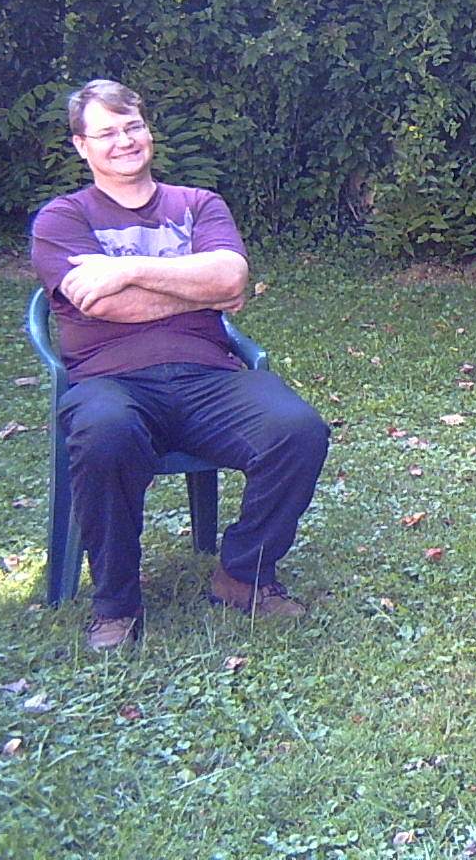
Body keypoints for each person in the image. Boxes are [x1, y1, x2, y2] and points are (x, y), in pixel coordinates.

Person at [31, 79, 328, 652]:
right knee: (104, 434)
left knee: (298, 429)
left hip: (207, 376)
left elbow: (230, 278)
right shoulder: (63, 218)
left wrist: (124, 269)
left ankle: (243, 574)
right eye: (106, 132)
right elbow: (104, 305)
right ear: (81, 146)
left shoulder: (197, 204)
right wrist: (195, 288)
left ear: (148, 131)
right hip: (109, 381)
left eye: (132, 126)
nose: (124, 141)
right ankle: (116, 604)